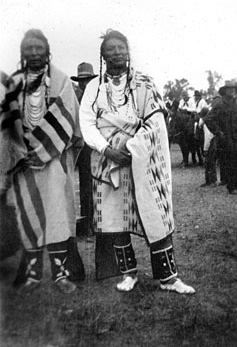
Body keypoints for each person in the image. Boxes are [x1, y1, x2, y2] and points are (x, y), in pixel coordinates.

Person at [79, 29, 195, 294]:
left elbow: (155, 121)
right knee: (115, 219)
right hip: (108, 165)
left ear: (128, 51)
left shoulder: (145, 84)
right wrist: (108, 149)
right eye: (111, 48)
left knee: (156, 214)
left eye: (121, 47)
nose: (117, 52)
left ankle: (169, 278)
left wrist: (131, 147)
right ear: (102, 54)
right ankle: (128, 273)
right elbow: (87, 124)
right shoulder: (93, 88)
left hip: (142, 161)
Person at [0, 29, 85, 292]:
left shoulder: (61, 82)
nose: (34, 52)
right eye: (29, 48)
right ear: (22, 52)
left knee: (58, 213)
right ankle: (33, 274)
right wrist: (20, 152)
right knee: (27, 212)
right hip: (23, 163)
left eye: (39, 47)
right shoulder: (13, 83)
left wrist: (42, 150)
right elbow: (5, 123)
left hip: (53, 160)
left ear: (47, 50)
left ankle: (61, 274)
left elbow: (70, 118)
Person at [205, 82, 237, 194]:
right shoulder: (219, 104)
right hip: (226, 138)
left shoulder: (236, 104)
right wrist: (219, 132)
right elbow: (209, 119)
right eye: (229, 89)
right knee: (230, 163)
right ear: (224, 91)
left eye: (233, 89)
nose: (232, 91)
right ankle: (232, 187)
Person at [71, 63, 98, 239]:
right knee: (85, 185)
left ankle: (96, 224)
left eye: (87, 80)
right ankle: (88, 225)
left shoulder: (97, 96)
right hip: (82, 147)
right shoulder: (74, 97)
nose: (84, 83)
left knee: (96, 185)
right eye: (81, 80)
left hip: (96, 145)